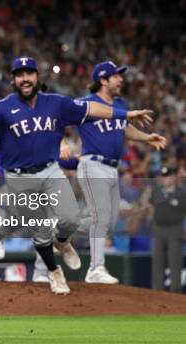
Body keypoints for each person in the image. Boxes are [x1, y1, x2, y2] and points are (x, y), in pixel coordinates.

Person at [0, 56, 155, 295]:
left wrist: (125, 114)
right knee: (39, 230)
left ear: (37, 77)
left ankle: (61, 241)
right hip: (19, 178)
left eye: (29, 73)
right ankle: (53, 272)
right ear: (13, 80)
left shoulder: (56, 103)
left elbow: (90, 109)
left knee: (70, 219)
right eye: (20, 74)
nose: (25, 78)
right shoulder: (1, 109)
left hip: (50, 171)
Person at [76, 61, 166, 284]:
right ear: (103, 80)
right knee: (101, 216)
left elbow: (124, 127)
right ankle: (96, 268)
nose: (121, 79)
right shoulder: (85, 104)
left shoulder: (120, 104)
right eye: (116, 76)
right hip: (92, 163)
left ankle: (64, 226)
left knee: (110, 220)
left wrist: (146, 137)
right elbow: (61, 120)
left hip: (112, 168)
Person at [149, 165, 185, 292]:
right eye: (164, 177)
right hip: (159, 230)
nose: (166, 179)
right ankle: (157, 292)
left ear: (174, 177)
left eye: (169, 176)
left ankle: (175, 292)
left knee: (175, 263)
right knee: (157, 262)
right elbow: (151, 207)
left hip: (175, 230)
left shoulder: (182, 193)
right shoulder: (156, 191)